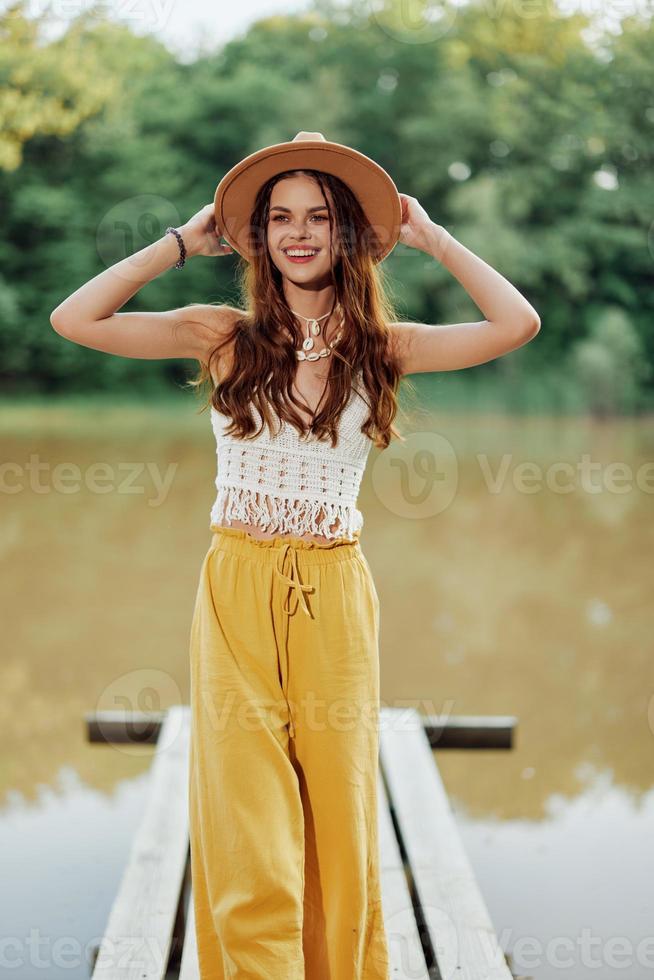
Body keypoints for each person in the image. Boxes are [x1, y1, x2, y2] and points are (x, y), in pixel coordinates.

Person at [50, 131, 540, 979]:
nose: (299, 232)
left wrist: (429, 236)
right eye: (280, 217)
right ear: (259, 236)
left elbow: (516, 323)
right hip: (235, 586)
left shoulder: (385, 347)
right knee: (246, 811)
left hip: (333, 595)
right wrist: (177, 243)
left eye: (320, 216)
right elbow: (74, 319)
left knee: (339, 811)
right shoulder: (223, 335)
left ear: (349, 234)